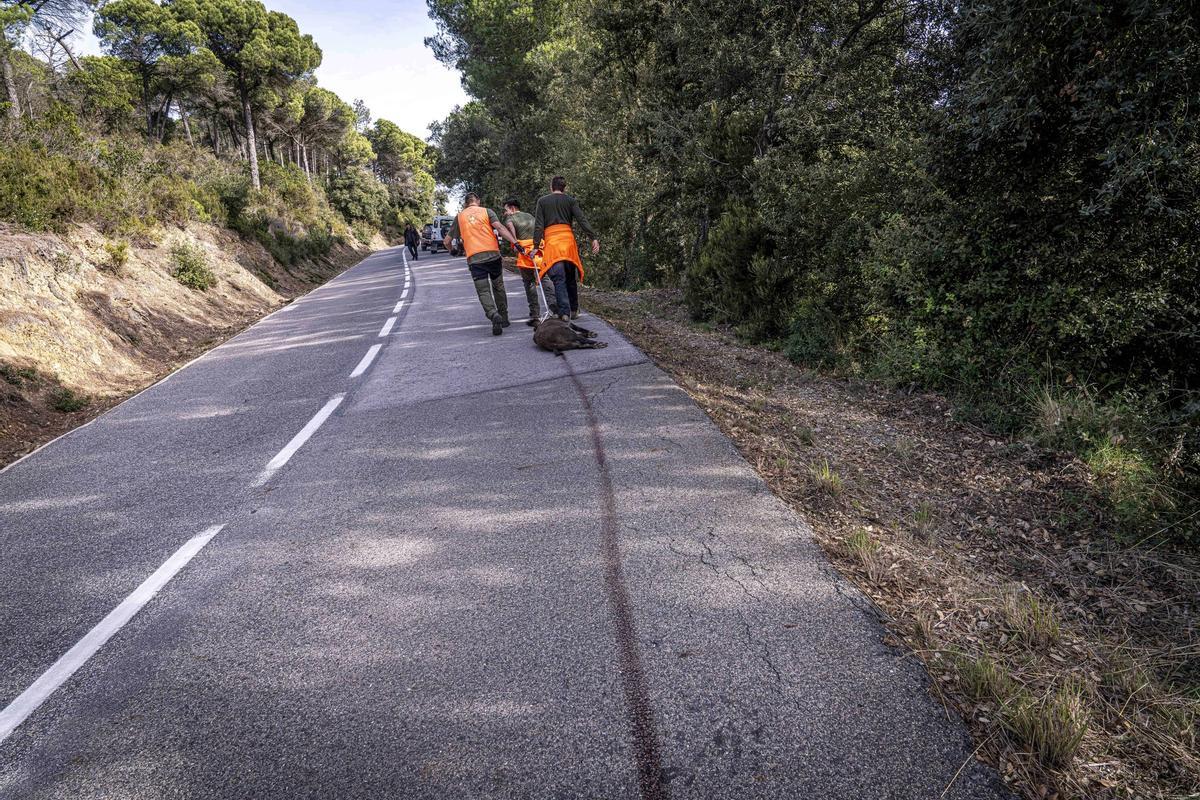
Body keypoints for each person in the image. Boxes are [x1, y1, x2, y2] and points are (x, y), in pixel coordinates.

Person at [444, 193, 524, 336]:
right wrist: (515, 242)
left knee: (483, 291)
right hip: (493, 255)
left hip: (475, 259)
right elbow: (499, 228)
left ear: (465, 203)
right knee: (498, 287)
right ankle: (504, 318)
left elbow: (447, 241)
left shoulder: (460, 217)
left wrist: (453, 251)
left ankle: (493, 315)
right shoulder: (487, 211)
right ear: (478, 201)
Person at [533, 176, 599, 321]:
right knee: (570, 277)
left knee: (559, 278)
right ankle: (574, 309)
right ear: (565, 188)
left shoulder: (542, 201)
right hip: (568, 243)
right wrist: (592, 237)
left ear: (551, 187)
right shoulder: (570, 200)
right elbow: (582, 219)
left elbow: (538, 226)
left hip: (553, 244)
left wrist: (536, 246)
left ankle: (564, 312)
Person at [504, 197, 557, 325]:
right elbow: (540, 228)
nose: (504, 213)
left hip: (525, 254)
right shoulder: (530, 216)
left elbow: (512, 235)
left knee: (529, 283)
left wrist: (515, 244)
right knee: (545, 278)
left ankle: (535, 316)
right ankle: (554, 309)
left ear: (512, 208)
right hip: (538, 251)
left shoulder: (510, 219)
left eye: (505, 210)